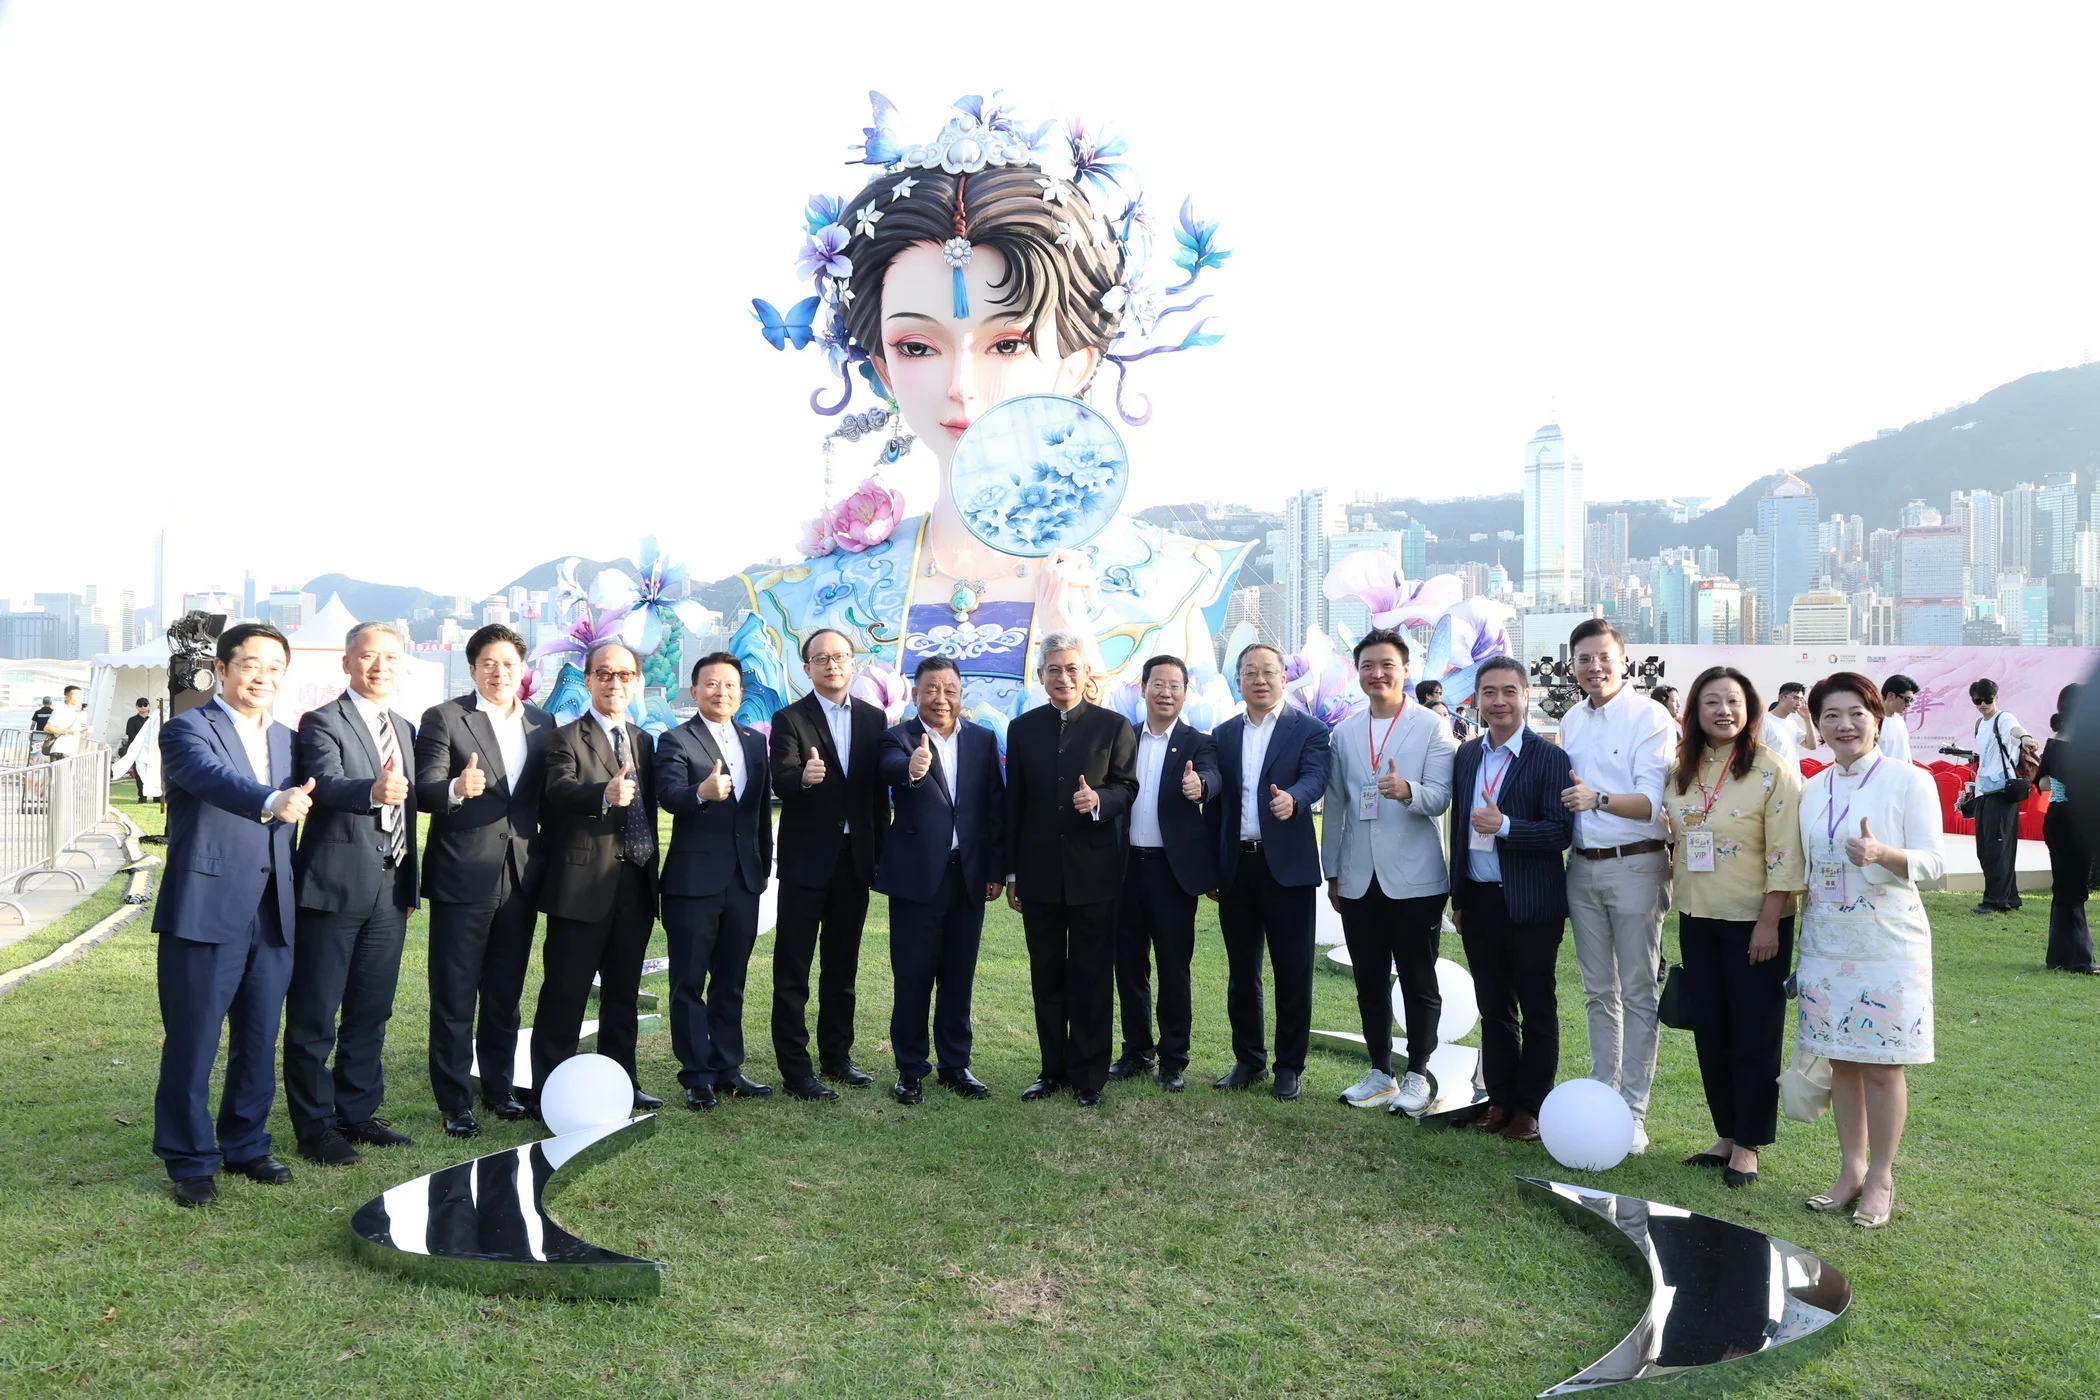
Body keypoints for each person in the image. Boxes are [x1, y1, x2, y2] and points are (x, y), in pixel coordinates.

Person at [734, 93, 1249, 738]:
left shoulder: (1162, 589)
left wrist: (1071, 634)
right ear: (883, 368)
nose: (961, 387)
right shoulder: (802, 601)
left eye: (1006, 345)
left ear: (1077, 364)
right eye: (917, 346)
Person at [150, 622, 313, 1207]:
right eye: (250, 665)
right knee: (193, 1040)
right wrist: (270, 799)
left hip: (273, 909)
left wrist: (373, 792)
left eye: (274, 668)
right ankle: (189, 1159)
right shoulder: (186, 729)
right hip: (206, 905)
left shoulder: (290, 740)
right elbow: (211, 780)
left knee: (259, 1036)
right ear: (222, 669)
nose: (262, 677)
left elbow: (329, 789)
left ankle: (245, 1144)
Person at [1795, 672, 1943, 1229]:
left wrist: (1883, 854)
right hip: (1825, 942)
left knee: (1882, 1064)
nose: (1845, 725)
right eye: (1831, 715)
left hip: (1888, 943)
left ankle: (1881, 1175)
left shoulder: (1910, 780)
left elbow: (1934, 863)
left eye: (1856, 713)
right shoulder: (1813, 788)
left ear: (1877, 718)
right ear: (1818, 725)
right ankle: (1850, 1169)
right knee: (1841, 1060)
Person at [1663, 666, 1806, 1189]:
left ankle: (1749, 1143)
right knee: (1712, 1031)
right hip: (1698, 915)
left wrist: (1770, 921)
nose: (1723, 711)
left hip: (1756, 922)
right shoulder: (1682, 768)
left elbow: (1786, 851)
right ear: (1694, 712)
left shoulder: (1771, 769)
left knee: (1754, 1033)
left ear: (1749, 709)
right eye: (1711, 702)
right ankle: (1725, 1132)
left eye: (1733, 702)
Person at [283, 622, 421, 1166]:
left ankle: (357, 1112)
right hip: (334, 886)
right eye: (367, 656)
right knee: (315, 1013)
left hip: (390, 887)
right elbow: (325, 783)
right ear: (346, 663)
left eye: (390, 657)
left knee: (371, 1008)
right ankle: (315, 1127)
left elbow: (411, 800)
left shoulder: (404, 728)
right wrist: (372, 790)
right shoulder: (321, 721)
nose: (379, 666)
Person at [414, 623, 554, 1138]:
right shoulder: (446, 717)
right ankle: (455, 1102)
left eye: (509, 664)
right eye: (489, 663)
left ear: (523, 670)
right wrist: (455, 786)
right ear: (473, 668)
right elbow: (424, 788)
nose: (499, 672)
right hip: (462, 874)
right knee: (454, 995)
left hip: (521, 874)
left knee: (504, 992)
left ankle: (498, 1088)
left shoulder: (542, 722)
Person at [1322, 629, 1457, 1113]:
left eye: (1387, 665)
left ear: (1405, 670)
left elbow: (1441, 796)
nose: (1377, 674)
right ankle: (1380, 1071)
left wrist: (1408, 792)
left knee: (1419, 979)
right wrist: (1332, 870)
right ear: (1358, 672)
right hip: (1358, 876)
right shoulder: (1345, 732)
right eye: (1368, 666)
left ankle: (1418, 1071)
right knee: (1369, 978)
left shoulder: (1432, 727)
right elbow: (1336, 805)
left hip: (1415, 877)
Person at [1003, 632, 1139, 1107]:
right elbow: (1015, 804)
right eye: (1054, 670)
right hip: (1039, 873)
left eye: (1072, 669)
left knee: (1092, 977)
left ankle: (1089, 1077)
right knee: (1046, 976)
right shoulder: (1022, 729)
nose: (1063, 677)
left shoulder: (1113, 726)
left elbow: (1127, 788)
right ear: (1041, 676)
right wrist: (1013, 873)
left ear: (1087, 675)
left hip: (1094, 874)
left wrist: (1099, 799)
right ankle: (1052, 1070)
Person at [1557, 618, 1674, 1154]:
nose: (1594, 667)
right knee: (1598, 991)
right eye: (1584, 658)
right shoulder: (1572, 719)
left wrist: (1598, 799)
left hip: (1637, 865)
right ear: (1572, 665)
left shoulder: (1649, 716)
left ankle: (1632, 1110)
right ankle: (1602, 1097)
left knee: (1638, 989)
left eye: (1604, 656)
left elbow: (1651, 803)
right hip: (1582, 867)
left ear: (1624, 661)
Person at [1447, 655, 1574, 1141]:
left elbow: (1560, 832)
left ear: (1525, 697)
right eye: (1489, 692)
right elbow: (1458, 831)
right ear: (1477, 699)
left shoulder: (1550, 758)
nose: (1498, 701)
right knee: (1494, 1005)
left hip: (1532, 903)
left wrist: (1505, 826)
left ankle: (1530, 1107)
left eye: (1508, 691)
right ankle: (1499, 1100)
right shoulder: (1467, 756)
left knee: (1537, 1006)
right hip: (1479, 900)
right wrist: (1459, 896)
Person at [531, 641, 661, 1107]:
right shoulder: (563, 738)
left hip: (636, 884)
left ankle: (621, 1083)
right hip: (581, 887)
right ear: (588, 680)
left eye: (625, 674)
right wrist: (602, 794)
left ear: (637, 682)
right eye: (604, 673)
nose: (614, 682)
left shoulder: (643, 741)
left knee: (623, 995)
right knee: (565, 993)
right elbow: (558, 790)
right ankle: (550, 1091)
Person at [766, 629, 889, 1101]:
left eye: (839, 656)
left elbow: (877, 797)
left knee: (842, 967)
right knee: (793, 969)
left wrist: (877, 856)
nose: (832, 664)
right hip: (806, 861)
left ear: (853, 663)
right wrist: (803, 777)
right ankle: (795, 1069)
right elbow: (780, 778)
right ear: (807, 668)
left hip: (853, 862)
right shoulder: (790, 718)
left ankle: (837, 1057)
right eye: (821, 658)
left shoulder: (875, 719)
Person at [876, 656, 1005, 1102]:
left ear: (960, 693)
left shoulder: (982, 740)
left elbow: (994, 807)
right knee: (912, 977)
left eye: (950, 689)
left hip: (967, 877)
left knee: (958, 975)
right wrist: (912, 768)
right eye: (931, 689)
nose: (941, 698)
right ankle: (910, 1068)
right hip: (916, 880)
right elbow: (890, 767)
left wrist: (995, 870)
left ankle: (956, 1064)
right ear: (915, 694)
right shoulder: (897, 737)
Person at [1210, 643, 1333, 1102]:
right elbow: (1216, 801)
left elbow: (1315, 776)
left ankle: (1289, 1067)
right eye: (1250, 672)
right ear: (1238, 681)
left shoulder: (1310, 729)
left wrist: (1295, 798)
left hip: (1287, 869)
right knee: (1242, 972)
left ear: (1284, 677)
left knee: (1293, 972)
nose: (1259, 680)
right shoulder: (1223, 734)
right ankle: (1249, 1060)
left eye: (1268, 672)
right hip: (1237, 867)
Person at [655, 652, 775, 1110]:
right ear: (694, 691)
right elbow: (669, 796)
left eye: (729, 685)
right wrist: (700, 793)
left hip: (744, 880)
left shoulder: (753, 741)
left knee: (731, 979)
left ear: (740, 693)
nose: (720, 691)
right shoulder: (676, 739)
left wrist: (762, 868)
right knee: (688, 982)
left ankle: (728, 1067)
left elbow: (759, 812)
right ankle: (697, 1076)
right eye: (711, 684)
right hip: (693, 882)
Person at [1109, 655, 1221, 1092]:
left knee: (1174, 968)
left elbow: (1212, 776)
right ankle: (1137, 1050)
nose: (1166, 692)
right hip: (1124, 870)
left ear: (1185, 692)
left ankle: (1173, 1059)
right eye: (1158, 684)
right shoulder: (1124, 737)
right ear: (1143, 688)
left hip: (1172, 875)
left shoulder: (1199, 742)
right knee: (1128, 966)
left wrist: (1200, 786)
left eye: (1175, 685)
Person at [2035, 687, 2096, 974]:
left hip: (2056, 818)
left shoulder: (2055, 741)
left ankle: (2058, 957)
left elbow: (2042, 783)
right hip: (2076, 821)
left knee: (2063, 888)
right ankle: (2080, 959)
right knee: (2074, 889)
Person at [1968, 677, 2037, 916]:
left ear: (1996, 697)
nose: (1983, 704)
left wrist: (2026, 738)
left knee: (1997, 848)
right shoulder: (1980, 723)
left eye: (1988, 699)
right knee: (1987, 849)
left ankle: (1995, 901)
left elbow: (2017, 730)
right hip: (1984, 792)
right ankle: (2009, 897)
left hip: (2002, 793)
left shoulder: (2004, 718)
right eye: (1978, 701)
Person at [1759, 684, 1807, 768]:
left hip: (1792, 775)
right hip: (1772, 775)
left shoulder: (1791, 721)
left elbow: (1811, 745)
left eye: (1801, 699)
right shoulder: (1763, 721)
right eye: (1795, 698)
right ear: (1782, 697)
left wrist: (1807, 719)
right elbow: (1758, 754)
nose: (1798, 703)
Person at [1878, 675, 1918, 765]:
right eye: (1906, 699)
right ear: (1891, 696)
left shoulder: (1899, 720)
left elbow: (1906, 751)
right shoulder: (1872, 723)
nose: (1908, 704)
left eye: (1911, 700)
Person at [121, 698, 152, 800]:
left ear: (149, 706)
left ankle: (157, 796)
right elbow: (131, 735)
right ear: (136, 707)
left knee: (153, 772)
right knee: (139, 772)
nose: (142, 707)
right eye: (140, 705)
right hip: (138, 750)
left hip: (152, 749)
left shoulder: (153, 719)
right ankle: (142, 796)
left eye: (145, 704)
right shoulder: (132, 720)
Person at [44, 684, 86, 759]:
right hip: (60, 751)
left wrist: (87, 731)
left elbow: (76, 734)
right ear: (67, 697)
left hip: (70, 751)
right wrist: (67, 731)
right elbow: (47, 728)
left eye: (80, 695)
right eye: (76, 695)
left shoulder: (74, 712)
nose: (79, 698)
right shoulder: (61, 710)